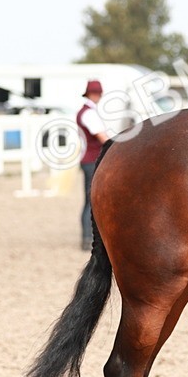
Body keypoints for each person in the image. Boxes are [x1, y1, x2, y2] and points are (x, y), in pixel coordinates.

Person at [76, 80, 109, 251]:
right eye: (96, 93)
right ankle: (87, 237)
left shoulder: (88, 111)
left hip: (89, 159)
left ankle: (88, 237)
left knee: (90, 200)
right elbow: (102, 137)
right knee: (91, 201)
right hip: (92, 160)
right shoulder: (89, 113)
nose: (98, 96)